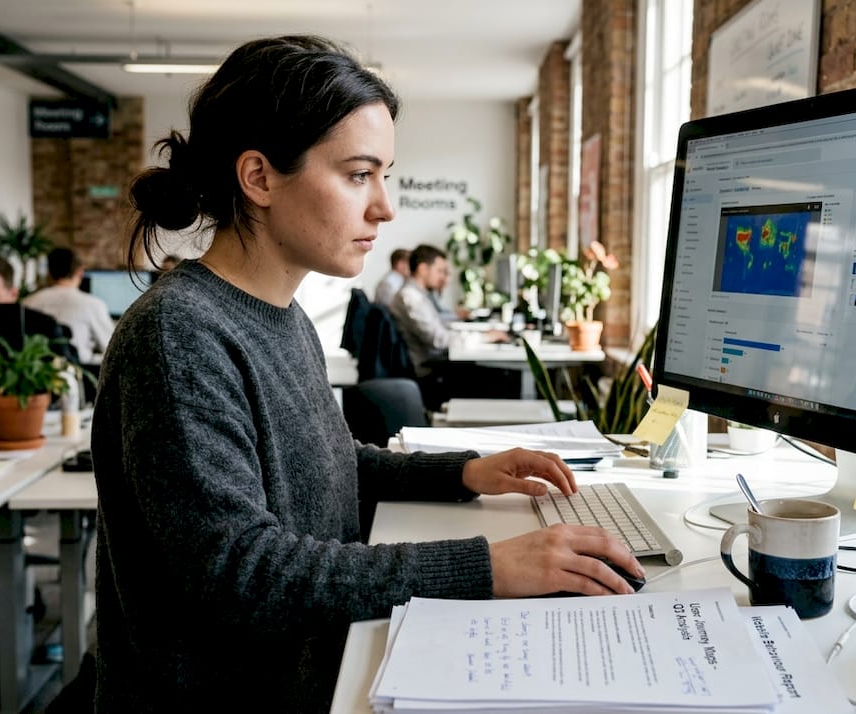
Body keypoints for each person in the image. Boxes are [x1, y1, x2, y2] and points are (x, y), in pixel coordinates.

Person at [96, 35, 641, 710]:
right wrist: (488, 566)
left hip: (322, 668)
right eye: (359, 175)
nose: (385, 207)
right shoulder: (178, 335)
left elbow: (326, 464)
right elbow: (245, 574)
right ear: (259, 177)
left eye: (384, 175)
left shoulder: (280, 315)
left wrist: (464, 472)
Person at [390, 244, 508, 376]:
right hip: (429, 368)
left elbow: (436, 324)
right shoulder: (411, 297)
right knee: (501, 374)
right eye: (439, 271)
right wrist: (483, 337)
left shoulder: (419, 295)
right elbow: (439, 340)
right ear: (423, 269)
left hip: (436, 361)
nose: (442, 277)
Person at [22, 247, 115, 363]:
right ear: (80, 272)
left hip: (37, 374)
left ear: (49, 272)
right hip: (79, 373)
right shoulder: (93, 304)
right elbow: (112, 348)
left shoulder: (27, 302)